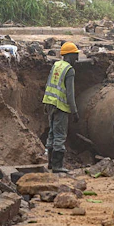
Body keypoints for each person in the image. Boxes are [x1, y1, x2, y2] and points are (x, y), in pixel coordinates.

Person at [42, 42, 79, 173]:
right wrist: (74, 111)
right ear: (68, 56)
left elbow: (48, 83)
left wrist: (45, 102)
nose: (77, 59)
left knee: (51, 133)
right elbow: (70, 93)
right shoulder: (69, 70)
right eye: (75, 56)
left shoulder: (56, 65)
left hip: (49, 102)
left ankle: (51, 163)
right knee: (60, 135)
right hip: (60, 107)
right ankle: (57, 166)